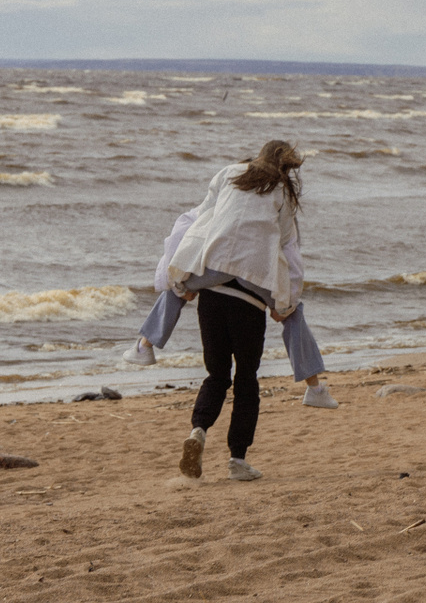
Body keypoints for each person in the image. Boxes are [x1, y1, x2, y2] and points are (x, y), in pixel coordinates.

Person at [129, 141, 334, 481]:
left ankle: (195, 426)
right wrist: (285, 303)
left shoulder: (229, 173)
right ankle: (241, 456)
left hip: (211, 290)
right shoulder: (281, 191)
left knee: (217, 374)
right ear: (285, 166)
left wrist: (177, 273)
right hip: (251, 294)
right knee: (246, 379)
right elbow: (289, 248)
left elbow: (197, 220)